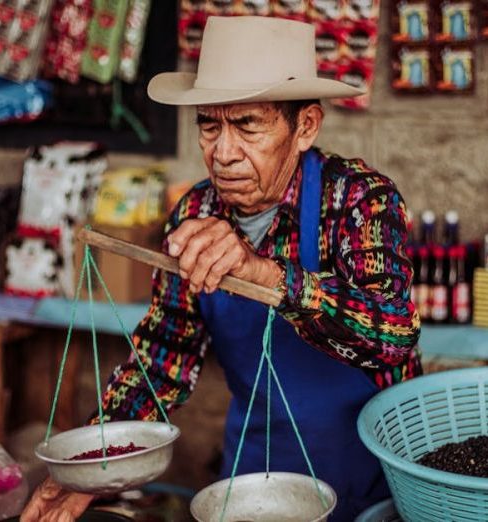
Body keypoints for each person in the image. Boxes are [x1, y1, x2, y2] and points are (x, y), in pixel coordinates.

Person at [22, 15, 422, 522]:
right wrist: (89, 473)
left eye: (248, 125)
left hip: (373, 473)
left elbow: (393, 335)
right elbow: (164, 357)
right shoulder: (194, 216)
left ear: (305, 127)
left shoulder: (359, 200)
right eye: (210, 125)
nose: (223, 153)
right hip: (258, 473)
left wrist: (267, 275)